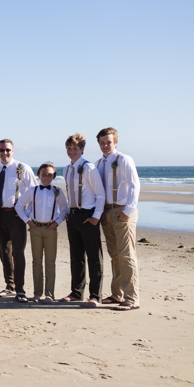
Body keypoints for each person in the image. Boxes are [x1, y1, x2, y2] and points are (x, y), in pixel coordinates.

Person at [96, 128, 142, 311]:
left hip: (122, 211)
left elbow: (134, 185)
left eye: (108, 142)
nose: (105, 145)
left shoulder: (124, 159)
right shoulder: (99, 163)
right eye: (102, 142)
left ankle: (132, 298)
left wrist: (127, 211)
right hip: (106, 212)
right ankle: (117, 294)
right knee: (114, 255)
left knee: (126, 254)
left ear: (115, 142)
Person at [63, 133, 106, 305]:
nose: (72, 151)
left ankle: (95, 296)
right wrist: (67, 212)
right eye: (69, 148)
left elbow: (100, 195)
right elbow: (70, 193)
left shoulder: (89, 168)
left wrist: (96, 217)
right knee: (76, 256)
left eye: (75, 148)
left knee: (94, 257)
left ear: (82, 149)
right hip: (73, 216)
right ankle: (76, 292)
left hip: (88, 216)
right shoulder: (66, 169)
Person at [0, 139, 36, 300]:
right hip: (0, 214)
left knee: (18, 253)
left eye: (7, 150)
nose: (5, 153)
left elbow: (33, 193)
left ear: (13, 150)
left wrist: (26, 214)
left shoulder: (23, 168)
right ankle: (9, 286)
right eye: (1, 150)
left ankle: (20, 289)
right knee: (4, 252)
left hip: (16, 216)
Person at [20, 162, 67, 303]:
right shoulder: (32, 190)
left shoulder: (57, 191)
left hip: (50, 229)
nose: (46, 177)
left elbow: (65, 209)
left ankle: (49, 294)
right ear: (39, 175)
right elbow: (19, 206)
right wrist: (27, 221)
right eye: (44, 174)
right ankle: (37, 293)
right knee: (36, 261)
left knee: (50, 261)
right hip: (35, 229)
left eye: (50, 175)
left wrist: (57, 222)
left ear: (54, 176)